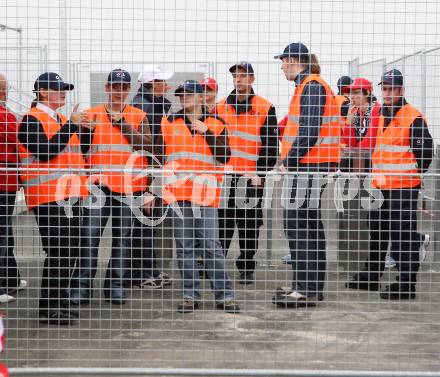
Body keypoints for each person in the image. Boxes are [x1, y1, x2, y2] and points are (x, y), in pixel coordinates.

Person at [346, 69, 433, 299]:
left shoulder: (412, 116)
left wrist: (408, 176)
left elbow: (425, 155)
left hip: (403, 188)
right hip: (381, 187)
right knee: (377, 232)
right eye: (384, 88)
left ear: (401, 90)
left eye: (392, 88)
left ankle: (406, 285)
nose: (387, 92)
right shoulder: (382, 114)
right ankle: (372, 277)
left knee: (402, 237)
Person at [70, 69, 152, 305]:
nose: (119, 91)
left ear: (129, 90)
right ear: (107, 88)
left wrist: (123, 124)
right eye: (115, 86)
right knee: (89, 237)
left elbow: (147, 148)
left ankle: (115, 285)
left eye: (124, 87)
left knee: (123, 239)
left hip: (128, 188)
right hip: (98, 187)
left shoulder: (137, 116)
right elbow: (80, 150)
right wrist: (84, 130)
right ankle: (81, 287)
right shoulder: (91, 115)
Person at [157, 80, 239, 313]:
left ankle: (225, 295)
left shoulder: (217, 123)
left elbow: (225, 157)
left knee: (212, 246)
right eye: (181, 95)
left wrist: (208, 133)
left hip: (205, 195)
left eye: (189, 94)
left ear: (201, 97)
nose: (184, 98)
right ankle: (189, 295)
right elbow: (157, 156)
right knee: (184, 247)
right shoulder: (169, 122)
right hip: (178, 194)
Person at [273, 42, 341, 307]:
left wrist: (288, 162)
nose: (281, 66)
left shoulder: (311, 86)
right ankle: (308, 286)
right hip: (312, 166)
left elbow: (309, 132)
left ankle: (305, 290)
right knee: (308, 227)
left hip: (308, 166)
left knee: (299, 227)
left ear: (293, 60)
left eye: (283, 61)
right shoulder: (310, 86)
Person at [18, 72, 89, 325]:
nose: (64, 93)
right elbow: (46, 152)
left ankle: (58, 303)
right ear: (42, 91)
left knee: (69, 251)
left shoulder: (58, 118)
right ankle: (48, 309)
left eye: (65, 89)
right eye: (58, 89)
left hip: (69, 195)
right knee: (59, 251)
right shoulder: (31, 119)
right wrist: (72, 124)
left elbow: (72, 155)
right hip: (48, 196)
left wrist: (81, 129)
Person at [216, 62, 278, 284]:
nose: (238, 80)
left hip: (251, 178)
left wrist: (260, 174)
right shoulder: (219, 107)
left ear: (252, 79)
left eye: (243, 76)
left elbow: (271, 148)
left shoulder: (265, 107)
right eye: (235, 76)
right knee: (222, 223)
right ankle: (217, 265)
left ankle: (246, 266)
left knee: (249, 225)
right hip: (225, 178)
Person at [131, 65, 174, 288]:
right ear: (151, 84)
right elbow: (145, 148)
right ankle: (143, 274)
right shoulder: (144, 107)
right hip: (147, 173)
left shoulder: (155, 105)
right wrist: (148, 184)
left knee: (149, 225)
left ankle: (150, 270)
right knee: (144, 224)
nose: (167, 85)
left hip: (153, 172)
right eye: (162, 81)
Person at [0, 74, 27, 304]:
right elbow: (20, 139)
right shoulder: (4, 116)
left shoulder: (5, 116)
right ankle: (5, 282)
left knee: (5, 231)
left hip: (6, 182)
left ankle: (10, 278)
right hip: (5, 182)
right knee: (3, 232)